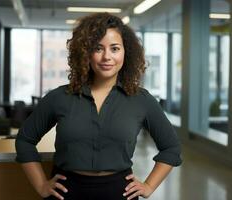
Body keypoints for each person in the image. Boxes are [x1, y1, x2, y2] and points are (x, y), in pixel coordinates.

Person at [15, 12, 182, 200]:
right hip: (66, 193)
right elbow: (24, 141)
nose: (106, 57)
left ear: (126, 52)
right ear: (86, 53)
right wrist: (41, 185)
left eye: (115, 48)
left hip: (119, 193)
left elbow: (171, 148)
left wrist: (149, 185)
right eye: (98, 48)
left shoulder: (141, 99)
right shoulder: (59, 97)